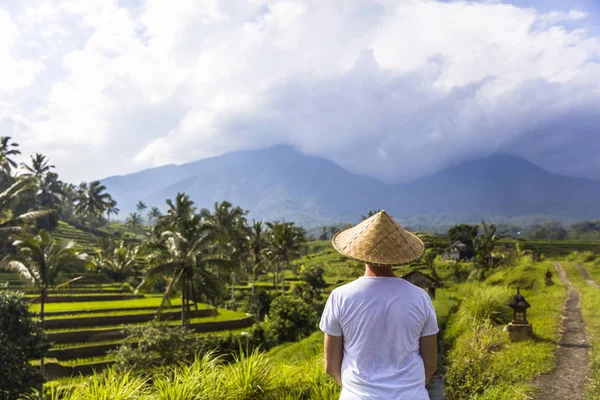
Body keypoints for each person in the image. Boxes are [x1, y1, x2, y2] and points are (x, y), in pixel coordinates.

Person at [320, 210, 438, 399]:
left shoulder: (340, 297)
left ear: (360, 251)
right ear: (398, 255)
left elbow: (331, 366)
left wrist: (357, 391)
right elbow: (431, 364)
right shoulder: (420, 297)